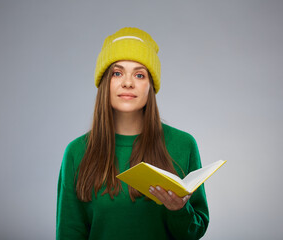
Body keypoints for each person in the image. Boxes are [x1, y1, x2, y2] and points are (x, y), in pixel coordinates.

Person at [56, 27, 209, 240]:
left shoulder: (183, 145)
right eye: (117, 73)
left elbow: (196, 230)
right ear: (104, 82)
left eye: (139, 74)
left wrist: (179, 210)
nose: (128, 83)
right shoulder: (76, 152)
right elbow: (69, 232)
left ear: (150, 86)